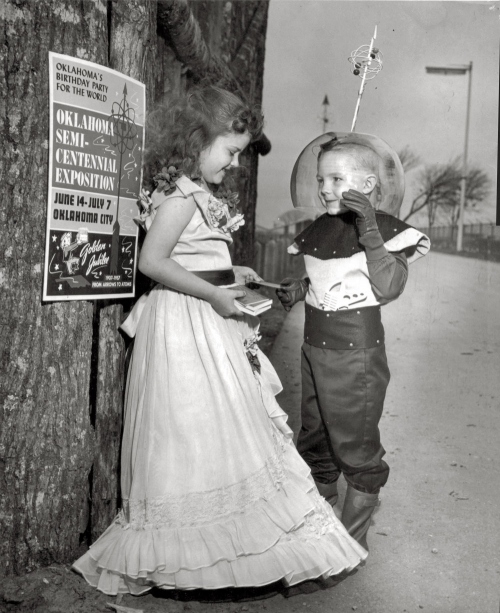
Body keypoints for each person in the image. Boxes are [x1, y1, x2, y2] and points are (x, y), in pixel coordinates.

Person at [72, 89, 366, 595]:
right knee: (187, 431)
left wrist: (231, 272)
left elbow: (190, 257)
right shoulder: (182, 196)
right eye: (229, 151)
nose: (233, 163)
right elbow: (154, 262)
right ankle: (187, 555)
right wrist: (214, 291)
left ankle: (221, 551)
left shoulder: (196, 194)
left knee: (215, 429)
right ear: (197, 140)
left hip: (203, 316)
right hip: (183, 326)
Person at [276, 133, 430, 550]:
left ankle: (349, 542)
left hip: (354, 355)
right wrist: (300, 288)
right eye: (321, 179)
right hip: (313, 348)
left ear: (366, 186)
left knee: (355, 443)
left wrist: (370, 228)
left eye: (337, 179)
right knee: (315, 436)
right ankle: (319, 527)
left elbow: (388, 285)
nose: (325, 188)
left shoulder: (382, 231)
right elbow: (332, 276)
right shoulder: (321, 230)